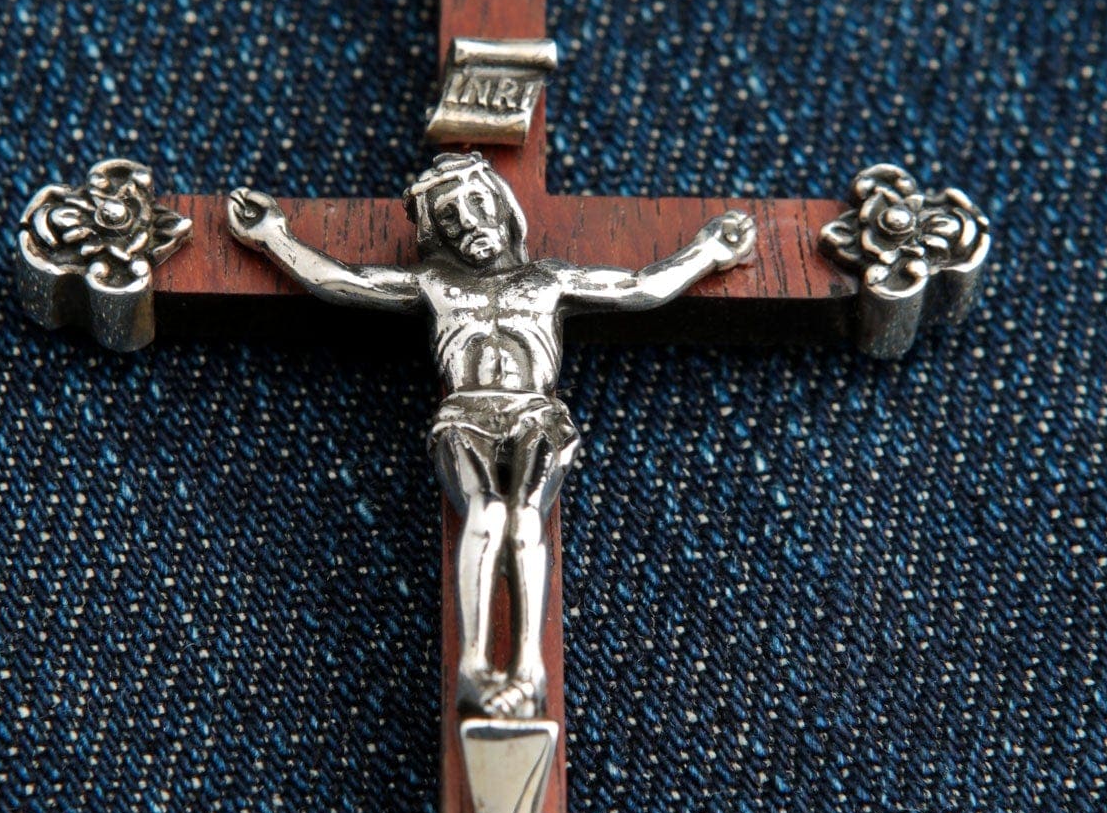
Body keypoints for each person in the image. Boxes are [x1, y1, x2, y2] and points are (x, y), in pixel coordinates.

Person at [229, 152, 756, 718]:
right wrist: (273, 237)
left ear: (502, 206)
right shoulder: (436, 284)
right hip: (464, 415)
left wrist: (708, 252)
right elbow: (341, 280)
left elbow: (640, 287)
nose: (468, 223)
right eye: (449, 217)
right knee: (487, 511)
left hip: (536, 413)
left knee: (526, 512)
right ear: (437, 233)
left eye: (476, 204)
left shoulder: (549, 280)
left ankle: (527, 667)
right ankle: (475, 668)